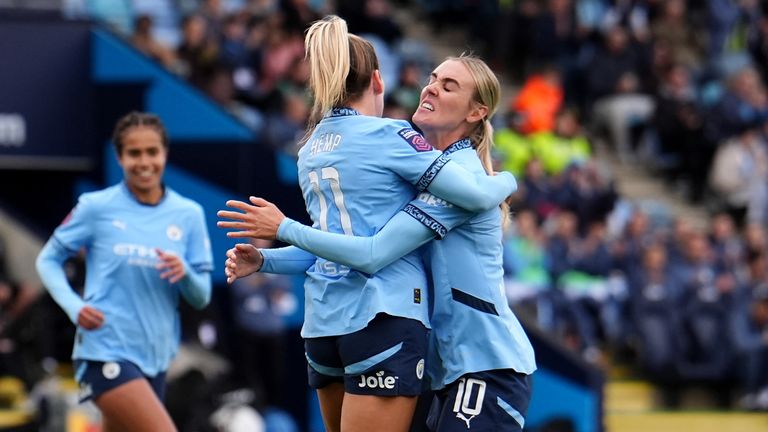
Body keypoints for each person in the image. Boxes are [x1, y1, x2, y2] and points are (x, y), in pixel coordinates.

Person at [218, 16, 517, 432]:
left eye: (448, 85)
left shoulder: (310, 147)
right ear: (378, 79)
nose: (430, 87)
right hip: (391, 322)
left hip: (340, 329)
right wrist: (507, 179)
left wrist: (271, 256)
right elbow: (372, 252)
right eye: (432, 78)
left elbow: (343, 245)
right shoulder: (394, 139)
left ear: (476, 110)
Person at [35, 112, 213, 432]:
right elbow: (48, 260)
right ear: (119, 157)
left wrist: (184, 272)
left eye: (152, 152)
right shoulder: (95, 206)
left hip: (156, 358)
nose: (144, 162)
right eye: (134, 153)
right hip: (104, 350)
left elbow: (200, 297)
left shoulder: (189, 214)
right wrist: (74, 307)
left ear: (164, 154)